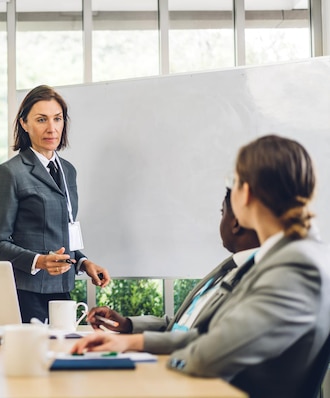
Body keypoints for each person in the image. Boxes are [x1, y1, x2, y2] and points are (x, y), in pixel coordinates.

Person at [71, 134, 330, 398]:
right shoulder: (287, 256)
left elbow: (209, 355)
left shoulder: (296, 266)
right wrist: (131, 342)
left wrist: (154, 369)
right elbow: (214, 337)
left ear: (246, 193)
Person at [0, 84, 111, 323]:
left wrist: (84, 263)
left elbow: (62, 232)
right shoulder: (10, 172)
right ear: (24, 124)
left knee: (62, 355)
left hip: (62, 291)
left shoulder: (68, 171)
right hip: (26, 293)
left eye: (57, 119)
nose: (51, 128)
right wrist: (39, 261)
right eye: (42, 119)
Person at [87, 188, 260, 352]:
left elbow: (211, 340)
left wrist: (132, 342)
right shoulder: (227, 269)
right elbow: (179, 327)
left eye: (222, 213)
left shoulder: (257, 279)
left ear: (236, 223)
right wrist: (127, 324)